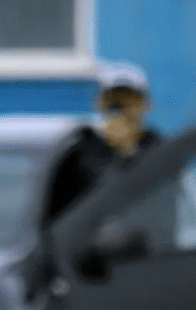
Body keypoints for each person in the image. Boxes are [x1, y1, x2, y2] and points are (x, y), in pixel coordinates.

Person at [47, 61, 161, 220]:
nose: (122, 109)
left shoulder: (158, 149)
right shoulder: (80, 155)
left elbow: (162, 204)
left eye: (130, 101)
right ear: (100, 104)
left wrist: (129, 152)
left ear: (145, 105)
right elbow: (59, 214)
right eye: (114, 102)